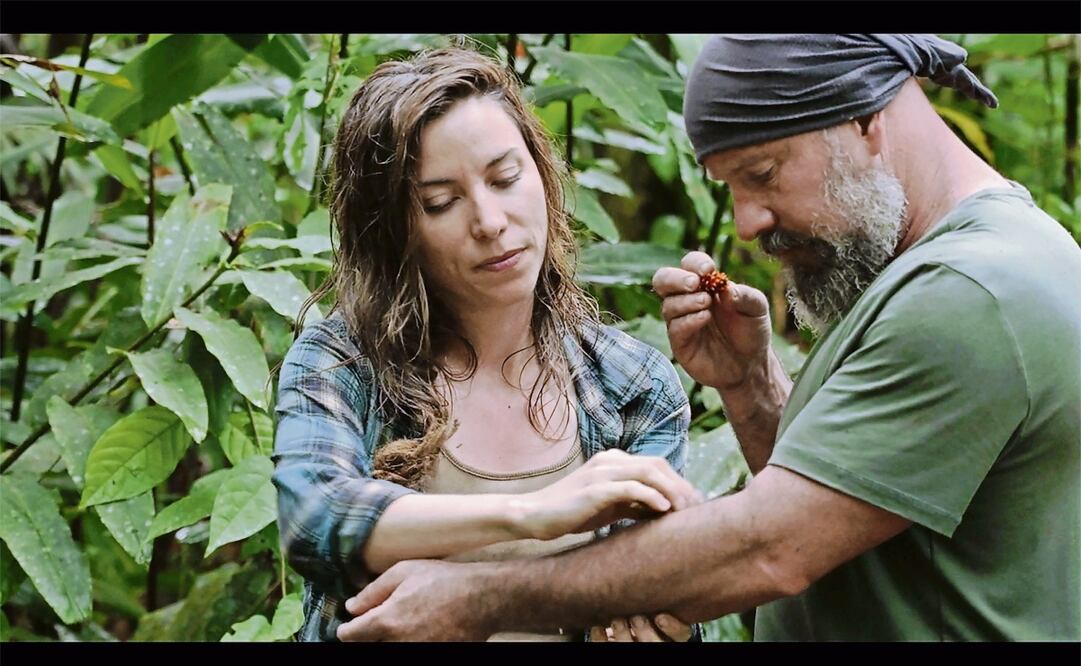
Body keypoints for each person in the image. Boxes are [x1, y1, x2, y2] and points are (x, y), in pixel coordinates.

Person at [334, 34, 1081, 641]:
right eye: (729, 187)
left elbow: (772, 548)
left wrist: (473, 599)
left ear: (865, 119)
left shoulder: (969, 294)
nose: (749, 223)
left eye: (762, 173)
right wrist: (750, 387)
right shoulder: (946, 268)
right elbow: (855, 513)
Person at [272, 47, 706, 642]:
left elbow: (651, 587)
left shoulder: (632, 384)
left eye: (506, 178)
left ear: (543, 172)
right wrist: (533, 514)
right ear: (393, 228)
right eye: (441, 202)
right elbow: (313, 517)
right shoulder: (345, 361)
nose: (490, 220)